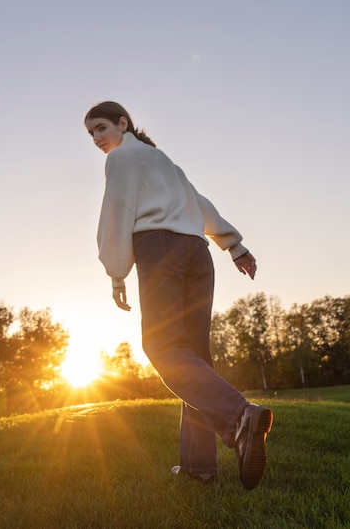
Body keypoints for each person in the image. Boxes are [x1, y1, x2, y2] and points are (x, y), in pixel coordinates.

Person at [84, 101, 273, 490]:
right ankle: (199, 465)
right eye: (91, 134)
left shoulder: (121, 160)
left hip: (160, 248)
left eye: (101, 128)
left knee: (163, 346)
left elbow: (116, 212)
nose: (98, 139)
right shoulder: (163, 159)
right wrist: (234, 245)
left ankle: (240, 417)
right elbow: (198, 201)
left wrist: (117, 272)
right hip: (197, 254)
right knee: (195, 358)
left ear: (123, 124)